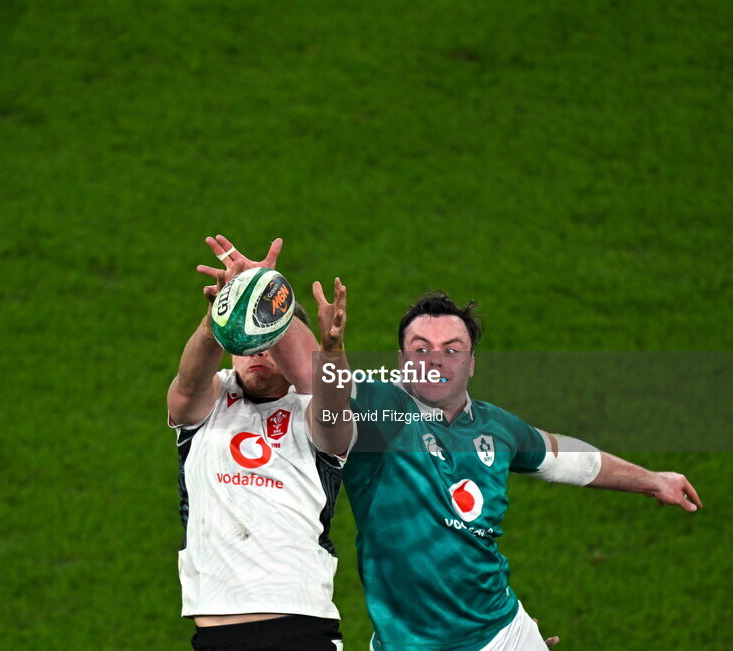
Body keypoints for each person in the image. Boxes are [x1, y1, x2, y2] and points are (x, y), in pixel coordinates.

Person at [309, 286, 702, 651]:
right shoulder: (378, 406)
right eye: (421, 348)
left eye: (452, 349)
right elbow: (325, 388)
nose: (435, 361)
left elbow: (568, 459)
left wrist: (653, 480)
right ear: (401, 361)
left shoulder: (498, 427)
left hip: (505, 634)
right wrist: (327, 344)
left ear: (472, 363)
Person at [168, 235, 345, 651]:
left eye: (270, 343)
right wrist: (223, 312)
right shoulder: (208, 401)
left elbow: (320, 385)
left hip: (302, 631)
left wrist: (267, 286)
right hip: (214, 635)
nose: (257, 353)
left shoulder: (319, 416)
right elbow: (190, 380)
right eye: (248, 341)